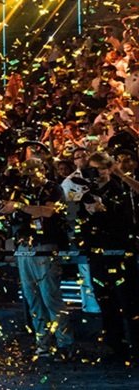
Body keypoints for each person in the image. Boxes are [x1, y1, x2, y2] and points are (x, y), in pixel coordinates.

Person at [0, 156, 73, 360]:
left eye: (34, 170)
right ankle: (43, 343)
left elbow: (48, 212)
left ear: (44, 169)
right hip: (24, 247)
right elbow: (6, 212)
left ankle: (65, 343)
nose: (31, 175)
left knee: (51, 297)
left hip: (45, 246)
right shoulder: (21, 191)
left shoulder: (53, 188)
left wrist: (20, 206)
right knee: (33, 299)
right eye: (27, 171)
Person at [81, 152, 139, 360]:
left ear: (108, 169)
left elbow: (126, 221)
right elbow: (80, 222)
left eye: (99, 169)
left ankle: (135, 346)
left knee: (128, 301)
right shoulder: (87, 193)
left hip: (120, 254)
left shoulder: (121, 190)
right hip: (97, 255)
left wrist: (105, 211)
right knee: (105, 300)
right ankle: (115, 346)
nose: (96, 174)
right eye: (92, 169)